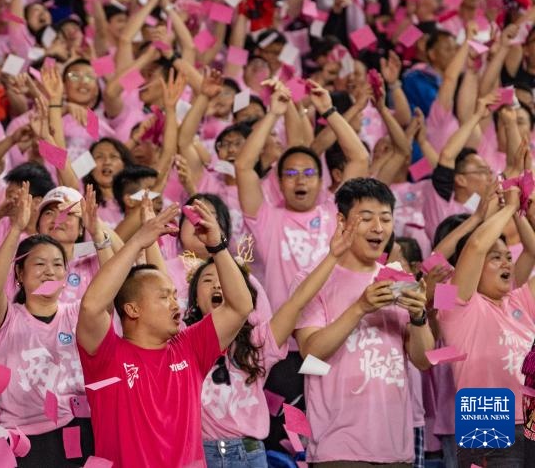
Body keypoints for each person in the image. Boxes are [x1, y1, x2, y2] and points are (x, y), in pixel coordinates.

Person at [77, 202, 252, 467]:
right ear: (132, 309)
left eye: (174, 295)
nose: (175, 304)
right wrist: (138, 241)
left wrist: (217, 246)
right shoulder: (105, 355)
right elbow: (91, 306)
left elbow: (240, 307)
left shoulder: (190, 347)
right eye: (164, 297)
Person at [190, 199, 356, 468]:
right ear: (195, 299)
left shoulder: (258, 343)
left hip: (249, 455)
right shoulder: (183, 344)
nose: (218, 285)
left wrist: (333, 256)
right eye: (208, 280)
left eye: (226, 281)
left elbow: (297, 302)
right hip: (199, 454)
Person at [294, 178, 435, 467]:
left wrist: (419, 317)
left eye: (386, 218)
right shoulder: (313, 280)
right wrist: (360, 307)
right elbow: (310, 352)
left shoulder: (399, 280)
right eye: (367, 218)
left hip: (397, 449)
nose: (378, 228)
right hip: (338, 449)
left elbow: (423, 360)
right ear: (342, 221)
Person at [0, 182, 94, 466]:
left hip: (74, 430)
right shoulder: (8, 318)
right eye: (39, 264)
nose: (50, 271)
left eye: (57, 264)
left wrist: (98, 234)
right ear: (19, 274)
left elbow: (108, 291)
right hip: (22, 441)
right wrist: (16, 228)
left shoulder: (76, 312)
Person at [439, 186, 535, 466]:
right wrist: (508, 208)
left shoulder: (518, 300)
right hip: (485, 414)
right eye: (496, 257)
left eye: (508, 256)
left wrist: (520, 214)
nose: (507, 263)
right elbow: (476, 246)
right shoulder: (453, 304)